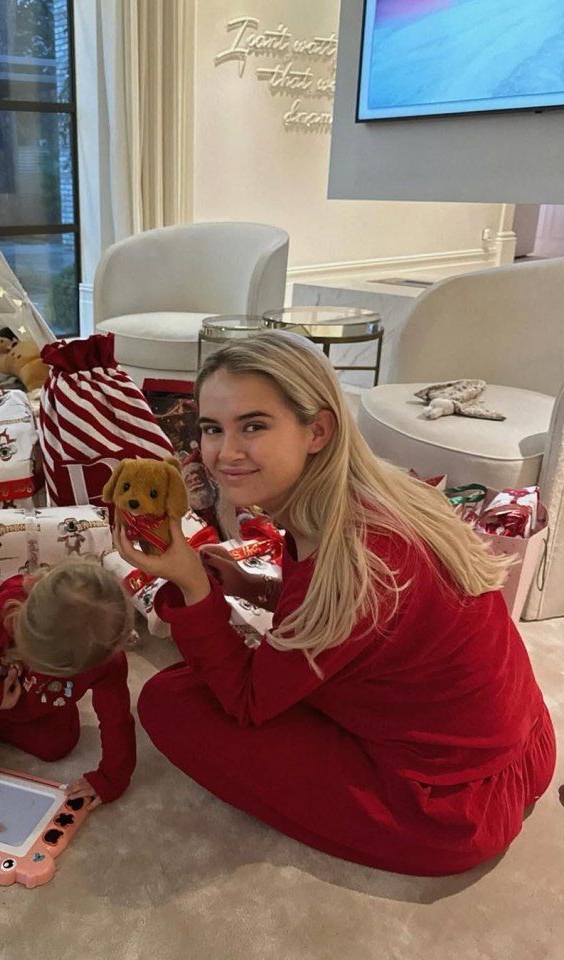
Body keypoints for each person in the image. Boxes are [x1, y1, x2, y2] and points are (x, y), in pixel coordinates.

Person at [114, 330, 555, 875]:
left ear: (317, 430)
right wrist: (248, 586)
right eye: (211, 428)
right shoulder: (380, 494)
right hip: (521, 742)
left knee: (169, 700)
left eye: (253, 426)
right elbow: (361, 626)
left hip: (449, 807)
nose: (224, 453)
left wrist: (194, 588)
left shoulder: (356, 563)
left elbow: (249, 699)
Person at [0, 558, 136, 807]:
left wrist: (111, 778)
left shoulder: (108, 658)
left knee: (57, 746)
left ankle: (4, 723)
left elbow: (116, 718)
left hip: (36, 705)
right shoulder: (1, 610)